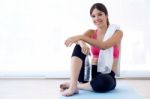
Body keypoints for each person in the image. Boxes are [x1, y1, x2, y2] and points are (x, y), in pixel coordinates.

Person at [60, 3, 123, 96]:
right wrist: (82, 43)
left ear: (106, 15)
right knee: (78, 47)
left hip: (108, 76)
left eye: (100, 14)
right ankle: (74, 87)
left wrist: (80, 37)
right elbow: (79, 41)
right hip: (91, 74)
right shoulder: (91, 32)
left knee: (102, 83)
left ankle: (75, 85)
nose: (96, 18)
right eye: (93, 16)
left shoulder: (117, 33)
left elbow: (104, 46)